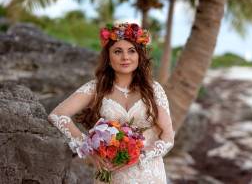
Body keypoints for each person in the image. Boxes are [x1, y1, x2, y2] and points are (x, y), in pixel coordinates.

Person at [48, 23, 175, 184]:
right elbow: (57, 114)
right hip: (109, 174)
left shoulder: (153, 90)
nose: (125, 57)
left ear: (139, 56)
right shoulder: (96, 87)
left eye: (131, 51)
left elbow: (168, 137)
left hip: (148, 174)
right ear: (108, 58)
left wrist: (139, 155)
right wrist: (89, 149)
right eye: (117, 51)